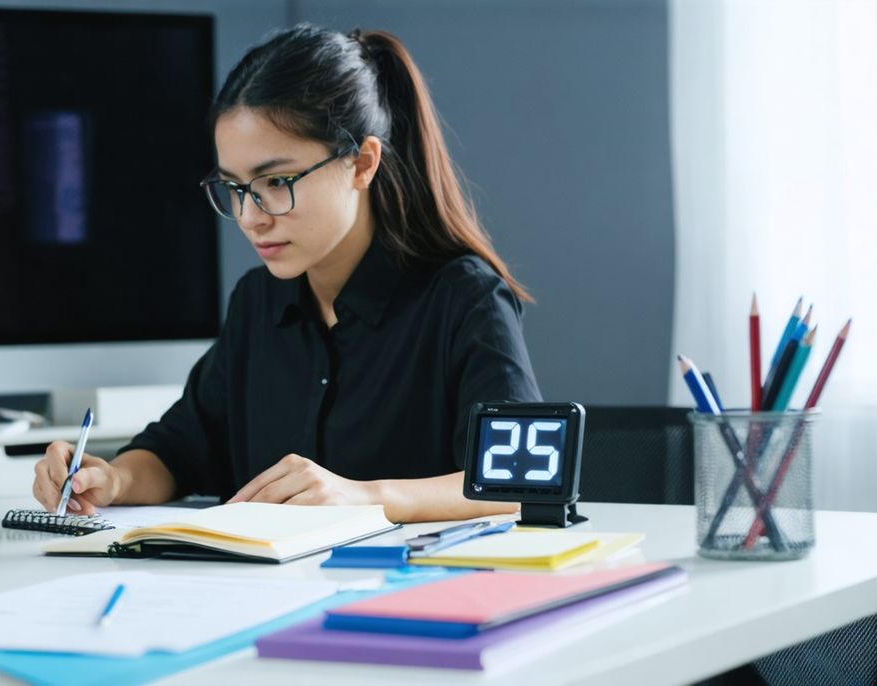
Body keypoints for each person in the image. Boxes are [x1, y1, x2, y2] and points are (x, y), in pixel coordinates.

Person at [32, 25, 541, 523]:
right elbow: (179, 450)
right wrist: (110, 480)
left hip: (415, 592)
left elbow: (519, 483)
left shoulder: (463, 297)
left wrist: (363, 496)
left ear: (362, 164)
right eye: (235, 186)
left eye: (276, 181)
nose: (252, 217)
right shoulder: (259, 301)